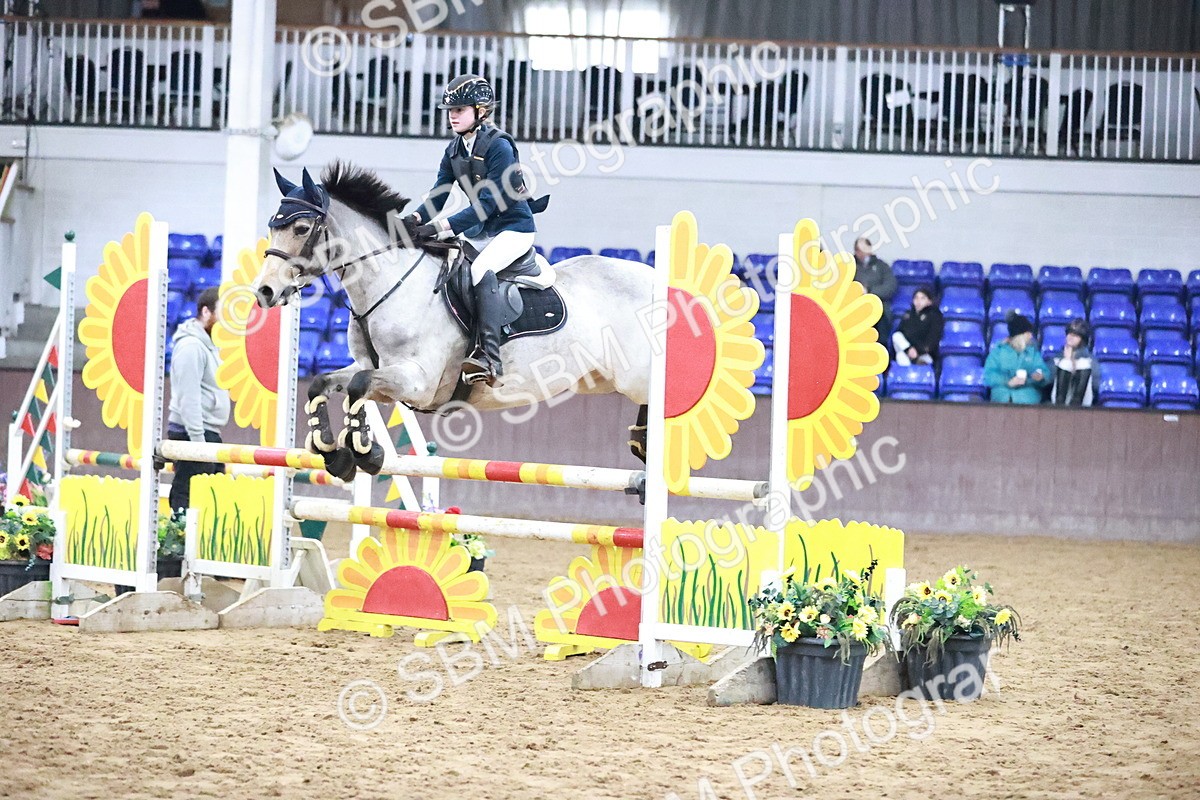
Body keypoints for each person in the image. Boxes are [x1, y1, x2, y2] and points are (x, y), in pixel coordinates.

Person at [407, 74, 548, 387]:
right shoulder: (455, 149)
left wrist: (440, 227)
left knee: (481, 267)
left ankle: (489, 356)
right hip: (483, 231)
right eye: (450, 110)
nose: (452, 115)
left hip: (513, 228)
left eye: (459, 109)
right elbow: (439, 194)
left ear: (481, 110)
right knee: (451, 267)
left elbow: (486, 204)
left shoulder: (499, 146)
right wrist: (414, 219)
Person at [167, 287, 230, 513]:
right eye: (221, 312)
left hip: (205, 431)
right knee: (189, 492)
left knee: (210, 496)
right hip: (193, 432)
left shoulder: (208, 347)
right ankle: (179, 539)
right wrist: (198, 443)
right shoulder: (191, 347)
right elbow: (188, 398)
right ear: (206, 312)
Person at [983, 312, 1051, 404]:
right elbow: (989, 375)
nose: (1031, 336)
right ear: (1020, 335)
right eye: (1028, 333)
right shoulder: (998, 351)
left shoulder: (1033, 352)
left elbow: (1044, 371)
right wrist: (1008, 382)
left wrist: (1040, 377)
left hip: (1028, 398)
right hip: (1002, 398)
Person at [852, 237, 898, 344]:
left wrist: (869, 291)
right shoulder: (850, 266)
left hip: (879, 309)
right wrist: (857, 291)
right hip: (856, 308)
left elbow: (890, 286)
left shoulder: (882, 266)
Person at [1050, 318, 1097, 406]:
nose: (1070, 337)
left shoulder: (1090, 359)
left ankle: (1076, 404)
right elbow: (1049, 379)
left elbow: (1096, 384)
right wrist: (1067, 361)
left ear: (1082, 339)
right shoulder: (1057, 356)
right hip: (1058, 399)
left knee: (1083, 364)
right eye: (1069, 334)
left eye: (1075, 335)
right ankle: (1059, 405)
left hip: (1084, 402)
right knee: (1065, 363)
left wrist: (1075, 367)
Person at [892, 285, 943, 366]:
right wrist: (909, 349)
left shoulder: (935, 316)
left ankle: (917, 361)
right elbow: (900, 333)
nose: (918, 301)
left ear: (929, 301)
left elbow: (933, 338)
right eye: (916, 298)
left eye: (923, 298)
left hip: (924, 354)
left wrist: (918, 350)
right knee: (896, 338)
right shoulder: (908, 315)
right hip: (907, 352)